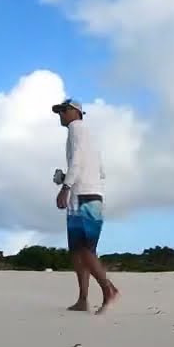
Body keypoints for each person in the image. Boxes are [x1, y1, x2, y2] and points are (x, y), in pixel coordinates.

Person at [51, 98, 119, 313]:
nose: (60, 115)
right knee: (77, 251)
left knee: (84, 250)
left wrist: (65, 187)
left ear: (75, 112)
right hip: (87, 194)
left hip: (83, 197)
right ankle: (82, 300)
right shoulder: (89, 137)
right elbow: (99, 171)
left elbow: (79, 160)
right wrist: (65, 178)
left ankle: (109, 290)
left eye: (63, 111)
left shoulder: (76, 129)